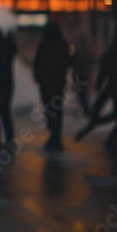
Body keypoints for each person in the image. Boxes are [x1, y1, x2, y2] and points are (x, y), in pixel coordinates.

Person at [33, 22, 72, 152]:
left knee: (49, 109)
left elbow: (37, 64)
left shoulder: (44, 46)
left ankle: (53, 134)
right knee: (57, 109)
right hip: (59, 82)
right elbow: (69, 63)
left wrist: (38, 77)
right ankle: (57, 136)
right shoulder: (64, 46)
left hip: (46, 83)